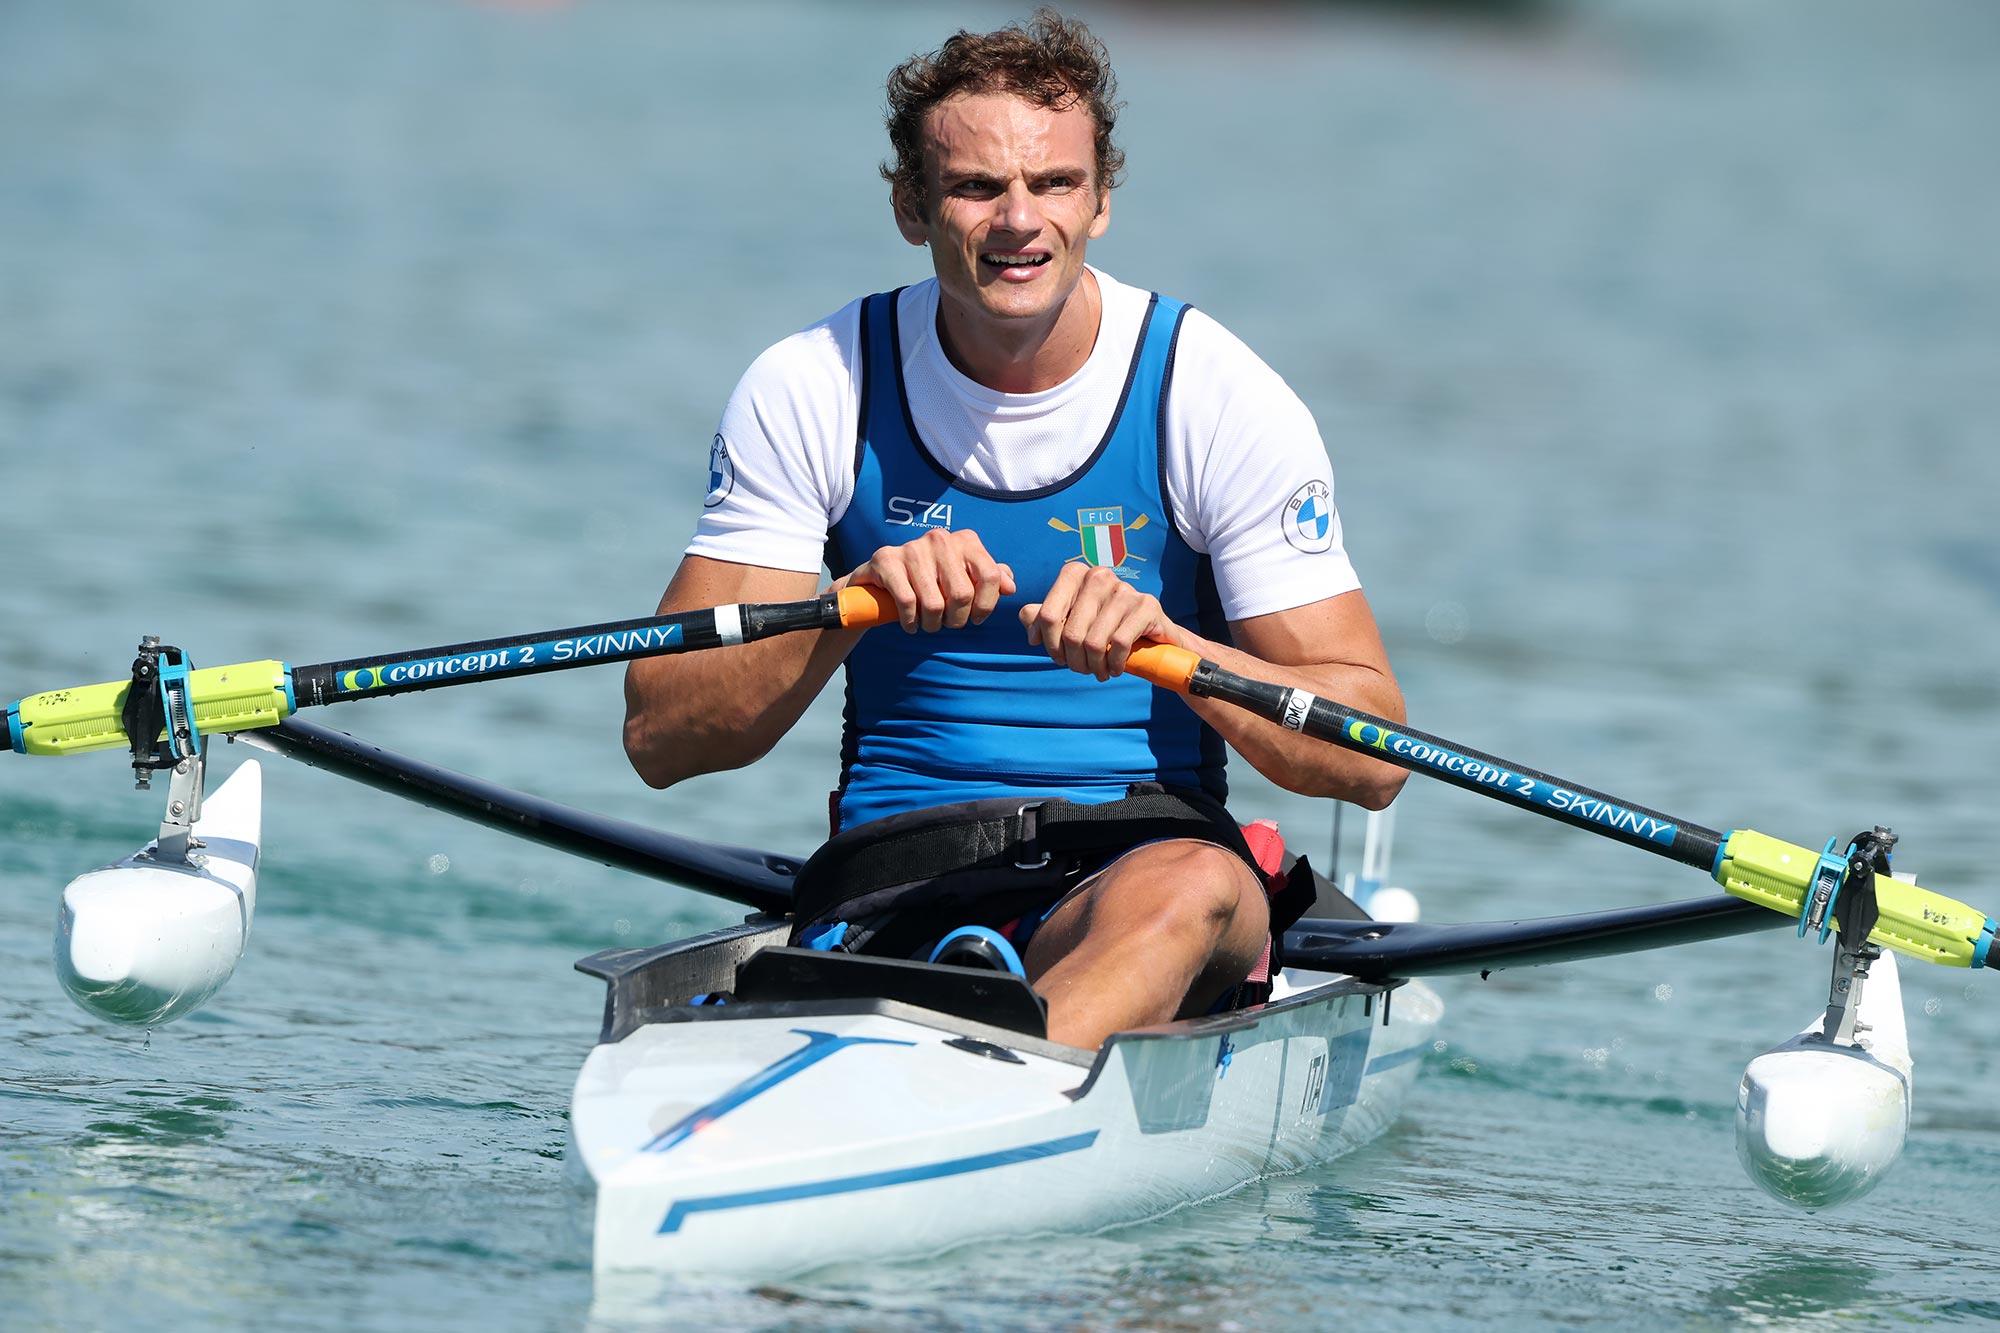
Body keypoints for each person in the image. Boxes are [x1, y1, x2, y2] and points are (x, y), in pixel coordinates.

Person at [623, 10, 1405, 1049]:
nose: (1018, 221)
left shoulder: (1212, 393)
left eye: (1054, 184)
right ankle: (991, 1035)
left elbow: (1372, 754)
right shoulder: (815, 385)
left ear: (1103, 198)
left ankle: (984, 1085)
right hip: (898, 873)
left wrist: (1175, 654)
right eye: (975, 186)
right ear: (909, 205)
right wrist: (851, 605)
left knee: (1198, 882)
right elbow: (661, 736)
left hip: (1146, 866)